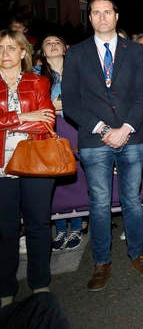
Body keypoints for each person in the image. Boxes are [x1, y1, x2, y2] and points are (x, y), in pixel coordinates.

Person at [62, 0, 143, 291]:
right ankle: (101, 263)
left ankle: (138, 255)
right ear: (89, 18)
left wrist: (125, 128)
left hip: (131, 138)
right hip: (94, 140)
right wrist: (103, 128)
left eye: (107, 12)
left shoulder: (134, 52)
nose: (102, 17)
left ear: (117, 16)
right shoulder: (77, 53)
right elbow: (71, 102)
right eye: (96, 13)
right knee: (100, 203)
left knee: (132, 200)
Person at [0, 29, 57, 307]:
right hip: (1, 169)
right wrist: (24, 115)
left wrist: (8, 120)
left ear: (23, 52)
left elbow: (46, 122)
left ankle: (40, 284)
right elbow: (33, 118)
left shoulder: (38, 82)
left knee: (38, 225)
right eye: (0, 48)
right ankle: (4, 289)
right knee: (5, 229)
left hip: (35, 163)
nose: (5, 54)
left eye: (11, 48)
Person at [34, 36, 83, 252]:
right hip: (52, 131)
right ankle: (61, 227)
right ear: (43, 52)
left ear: (65, 47)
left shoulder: (79, 71)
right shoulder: (35, 76)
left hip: (78, 128)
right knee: (56, 178)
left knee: (79, 176)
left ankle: (79, 225)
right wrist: (50, 106)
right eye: (47, 42)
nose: (53, 44)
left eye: (57, 41)